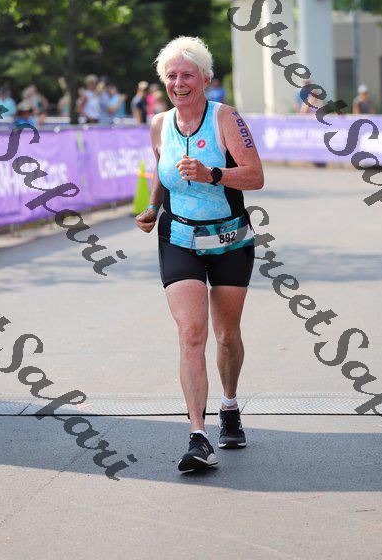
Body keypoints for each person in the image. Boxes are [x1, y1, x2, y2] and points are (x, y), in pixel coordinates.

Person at [135, 36, 264, 472]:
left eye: (187, 75)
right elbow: (161, 169)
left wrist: (214, 174)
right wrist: (153, 206)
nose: (179, 83)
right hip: (178, 237)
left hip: (229, 239)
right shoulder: (159, 123)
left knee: (226, 335)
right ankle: (198, 436)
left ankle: (229, 405)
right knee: (192, 333)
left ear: (205, 79)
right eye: (171, 76)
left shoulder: (225, 118)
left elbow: (255, 176)